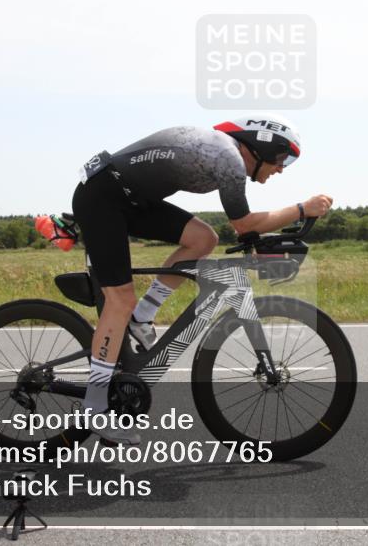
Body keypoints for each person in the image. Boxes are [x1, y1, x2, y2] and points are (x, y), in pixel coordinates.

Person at [71, 114, 333, 444]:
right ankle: (94, 408)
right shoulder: (228, 158)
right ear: (263, 145)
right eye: (282, 158)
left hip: (130, 200)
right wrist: (301, 208)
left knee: (203, 239)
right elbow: (245, 224)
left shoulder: (225, 152)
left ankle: (142, 318)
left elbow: (244, 227)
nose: (281, 168)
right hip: (103, 198)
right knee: (120, 299)